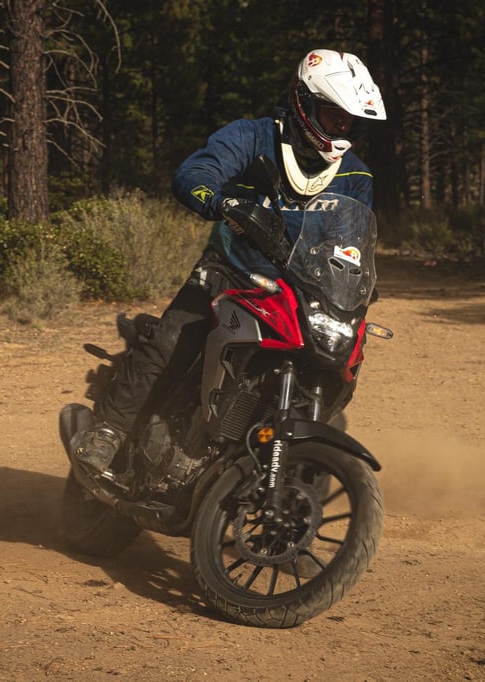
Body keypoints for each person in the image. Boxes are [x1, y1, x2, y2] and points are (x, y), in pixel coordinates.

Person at [67, 48, 386, 477]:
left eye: (350, 121)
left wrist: (354, 277)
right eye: (334, 117)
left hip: (299, 293)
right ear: (305, 103)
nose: (343, 130)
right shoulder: (252, 137)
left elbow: (349, 241)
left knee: (337, 369)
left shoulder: (356, 175)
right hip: (229, 273)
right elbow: (194, 174)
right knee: (172, 341)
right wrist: (222, 202)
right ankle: (109, 431)